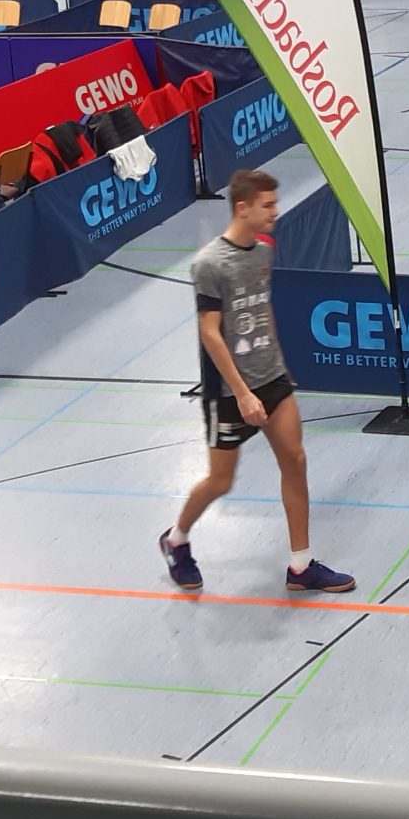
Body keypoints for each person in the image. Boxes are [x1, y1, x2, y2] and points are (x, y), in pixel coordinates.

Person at [159, 168, 355, 596]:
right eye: (267, 205)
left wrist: (278, 364)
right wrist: (243, 394)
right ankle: (176, 540)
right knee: (221, 481)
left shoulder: (264, 250)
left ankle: (301, 566)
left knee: (295, 461)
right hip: (230, 391)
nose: (275, 212)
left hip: (272, 377)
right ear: (242, 207)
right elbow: (210, 333)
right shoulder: (209, 263)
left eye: (275, 204)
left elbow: (263, 309)